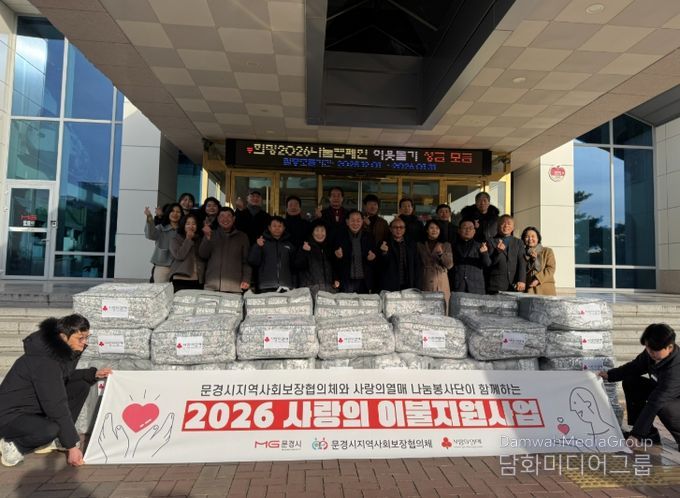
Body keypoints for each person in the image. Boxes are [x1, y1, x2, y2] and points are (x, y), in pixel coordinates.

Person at [0, 314, 112, 467]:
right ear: (63, 337)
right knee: (49, 430)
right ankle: (13, 444)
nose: (85, 342)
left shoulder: (57, 352)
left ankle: (58, 439)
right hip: (9, 416)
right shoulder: (44, 361)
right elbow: (55, 404)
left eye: (87, 337)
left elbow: (61, 378)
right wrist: (72, 446)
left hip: (32, 409)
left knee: (81, 386)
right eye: (80, 338)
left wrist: (92, 374)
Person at [598, 323, 680, 450]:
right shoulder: (651, 353)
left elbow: (655, 402)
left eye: (654, 350)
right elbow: (634, 367)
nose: (650, 352)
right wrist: (610, 374)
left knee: (663, 406)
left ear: (669, 347)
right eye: (648, 348)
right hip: (664, 393)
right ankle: (649, 434)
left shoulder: (675, 370)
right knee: (631, 381)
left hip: (674, 402)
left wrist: (636, 435)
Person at [199, 207, 251, 293]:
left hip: (234, 287)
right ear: (218, 219)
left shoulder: (242, 237)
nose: (225, 219)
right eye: (222, 216)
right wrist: (207, 237)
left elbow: (246, 262)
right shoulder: (211, 234)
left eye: (228, 216)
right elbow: (203, 255)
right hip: (212, 286)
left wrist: (246, 279)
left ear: (234, 219)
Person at [333, 209, 377, 293]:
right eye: (352, 220)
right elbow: (333, 260)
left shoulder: (369, 237)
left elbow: (375, 260)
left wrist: (372, 258)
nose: (355, 223)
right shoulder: (339, 236)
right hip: (346, 280)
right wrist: (338, 256)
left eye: (358, 220)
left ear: (362, 221)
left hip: (364, 281)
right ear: (347, 222)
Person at [248, 216, 296, 293]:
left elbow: (294, 267)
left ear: (284, 228)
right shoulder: (262, 242)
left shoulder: (289, 245)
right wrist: (257, 247)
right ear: (269, 228)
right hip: (266, 285)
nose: (277, 228)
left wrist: (294, 284)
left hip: (286, 286)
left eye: (280, 226)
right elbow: (253, 261)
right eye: (274, 226)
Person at [294, 219, 339, 294]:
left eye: (322, 230)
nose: (320, 233)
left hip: (329, 291)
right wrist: (305, 252)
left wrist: (335, 279)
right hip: (310, 292)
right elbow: (297, 266)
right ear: (312, 233)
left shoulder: (329, 248)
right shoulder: (305, 246)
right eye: (317, 230)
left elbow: (334, 268)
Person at [417, 220, 454, 310]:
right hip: (424, 279)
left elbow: (449, 265)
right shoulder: (419, 245)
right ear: (427, 230)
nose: (434, 230)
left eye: (437, 228)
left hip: (441, 280)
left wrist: (441, 254)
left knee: (442, 308)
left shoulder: (446, 245)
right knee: (426, 309)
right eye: (431, 228)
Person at [378, 218, 421, 291]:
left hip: (408, 284)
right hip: (390, 286)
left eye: (401, 227)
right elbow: (379, 267)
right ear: (390, 229)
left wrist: (416, 285)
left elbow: (416, 265)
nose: (398, 229)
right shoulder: (383, 243)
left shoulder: (411, 243)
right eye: (395, 227)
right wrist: (384, 253)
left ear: (405, 229)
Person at [487, 214, 526, 294]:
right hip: (496, 284)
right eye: (503, 223)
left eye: (509, 224)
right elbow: (489, 263)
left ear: (513, 227)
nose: (506, 226)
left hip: (515, 284)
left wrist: (522, 280)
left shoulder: (518, 242)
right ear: (498, 226)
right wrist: (498, 252)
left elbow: (522, 262)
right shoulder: (491, 241)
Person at [144, 203, 181, 283]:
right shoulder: (161, 228)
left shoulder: (183, 230)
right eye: (172, 211)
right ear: (168, 213)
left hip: (179, 267)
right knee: (161, 289)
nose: (175, 214)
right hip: (162, 266)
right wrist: (149, 218)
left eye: (178, 212)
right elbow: (150, 235)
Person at [451, 219, 491, 294]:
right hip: (458, 286)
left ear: (474, 231)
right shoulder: (453, 246)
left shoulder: (480, 246)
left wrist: (484, 253)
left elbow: (487, 264)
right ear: (459, 230)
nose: (468, 230)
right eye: (465, 227)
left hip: (476, 287)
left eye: (470, 228)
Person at [169, 213, 204, 292]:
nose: (191, 226)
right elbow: (179, 255)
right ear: (183, 225)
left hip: (198, 279)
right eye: (188, 224)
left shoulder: (200, 239)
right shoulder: (175, 239)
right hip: (180, 278)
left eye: (194, 224)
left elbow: (204, 255)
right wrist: (188, 239)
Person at [521, 226, 556, 295]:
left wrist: (538, 279)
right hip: (529, 287)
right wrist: (531, 261)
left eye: (533, 236)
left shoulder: (547, 251)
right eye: (527, 237)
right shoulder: (521, 253)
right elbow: (521, 270)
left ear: (538, 238)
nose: (530, 239)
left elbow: (551, 268)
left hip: (545, 288)